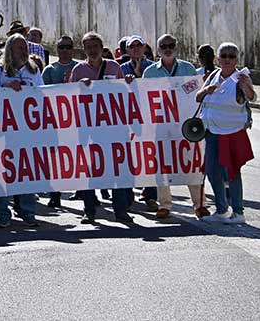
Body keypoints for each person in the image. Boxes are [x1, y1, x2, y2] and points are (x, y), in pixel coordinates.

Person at [141, 34, 209, 219]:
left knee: (191, 162)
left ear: (176, 47)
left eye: (171, 45)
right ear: (158, 49)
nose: (168, 48)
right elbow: (144, 99)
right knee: (162, 164)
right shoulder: (150, 72)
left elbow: (196, 93)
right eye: (164, 46)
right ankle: (165, 204)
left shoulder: (188, 68)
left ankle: (199, 204)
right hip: (161, 125)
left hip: (184, 124)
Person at [70, 32, 133, 224]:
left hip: (113, 128)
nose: (92, 50)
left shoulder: (114, 67)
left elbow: (125, 93)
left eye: (95, 46)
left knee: (116, 169)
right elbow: (68, 97)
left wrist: (128, 81)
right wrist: (79, 87)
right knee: (90, 170)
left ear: (101, 47)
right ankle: (89, 210)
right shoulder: (78, 70)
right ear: (84, 49)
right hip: (89, 129)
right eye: (88, 47)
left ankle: (120, 210)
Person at [0, 34, 43, 228]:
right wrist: (6, 87)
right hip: (3, 130)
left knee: (26, 171)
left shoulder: (33, 70)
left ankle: (27, 211)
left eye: (25, 47)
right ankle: (2, 212)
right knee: (3, 171)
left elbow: (43, 94)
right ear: (10, 50)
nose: (24, 51)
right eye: (19, 48)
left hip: (26, 131)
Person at [196, 42, 255, 225]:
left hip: (232, 132)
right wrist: (206, 90)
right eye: (224, 56)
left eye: (232, 56)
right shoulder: (213, 75)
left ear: (237, 59)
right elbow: (198, 96)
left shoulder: (241, 78)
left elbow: (251, 97)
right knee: (212, 171)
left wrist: (245, 87)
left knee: (232, 172)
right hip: (212, 131)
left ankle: (238, 212)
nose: (228, 59)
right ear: (218, 59)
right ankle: (221, 209)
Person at [120, 35, 157, 210]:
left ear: (144, 48)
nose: (135, 49)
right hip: (128, 118)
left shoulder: (153, 68)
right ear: (127, 50)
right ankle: (127, 196)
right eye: (132, 46)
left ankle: (150, 194)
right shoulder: (121, 69)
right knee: (129, 155)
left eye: (139, 45)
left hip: (149, 117)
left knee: (150, 154)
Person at [41, 35, 78, 207]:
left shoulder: (79, 68)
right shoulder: (49, 70)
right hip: (55, 122)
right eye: (61, 47)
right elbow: (41, 94)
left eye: (68, 47)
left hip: (75, 121)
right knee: (55, 159)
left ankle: (82, 191)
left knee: (78, 156)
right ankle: (55, 194)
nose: (64, 50)